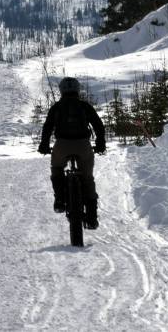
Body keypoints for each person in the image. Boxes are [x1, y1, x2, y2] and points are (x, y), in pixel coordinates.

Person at [38, 77, 106, 229]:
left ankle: (60, 200)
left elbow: (47, 127)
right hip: (83, 145)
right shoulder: (84, 106)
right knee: (87, 178)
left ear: (62, 91)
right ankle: (91, 217)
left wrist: (44, 145)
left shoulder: (56, 107)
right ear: (77, 90)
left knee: (56, 168)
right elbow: (98, 125)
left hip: (62, 145)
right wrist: (100, 143)